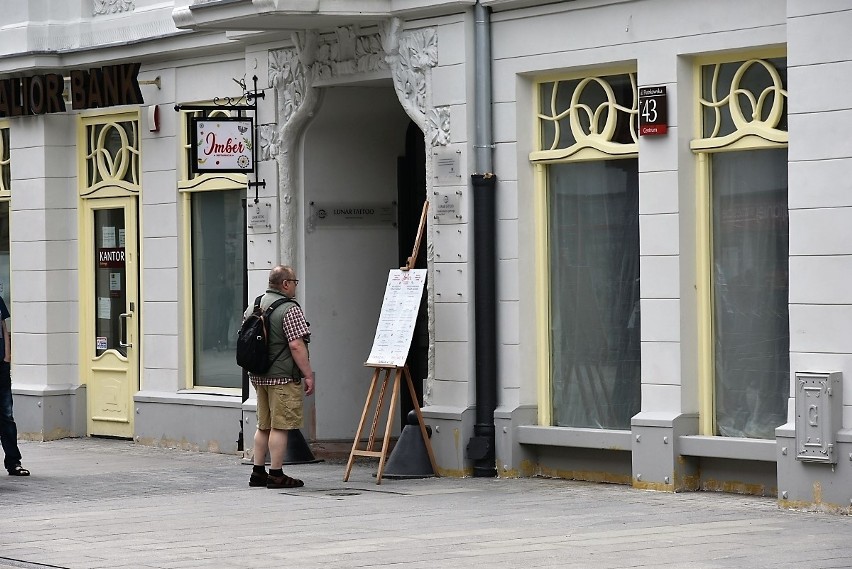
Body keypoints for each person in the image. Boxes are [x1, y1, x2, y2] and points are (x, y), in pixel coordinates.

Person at [246, 265, 314, 489]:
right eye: (294, 282)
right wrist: (308, 374)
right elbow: (296, 345)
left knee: (263, 425)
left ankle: (258, 472)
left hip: (258, 375)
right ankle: (276, 474)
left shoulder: (255, 305)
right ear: (285, 284)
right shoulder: (289, 309)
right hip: (282, 377)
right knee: (280, 426)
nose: (295, 286)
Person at [0, 295, 28, 476]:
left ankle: (13, 462)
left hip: (1, 366)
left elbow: (4, 328)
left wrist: (7, 356)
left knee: (6, 415)